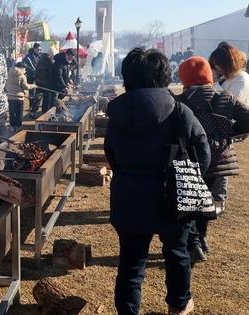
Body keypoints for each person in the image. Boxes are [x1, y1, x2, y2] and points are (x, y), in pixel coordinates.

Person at [104, 48, 210, 315]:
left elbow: (112, 154)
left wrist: (128, 175)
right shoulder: (180, 111)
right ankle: (178, 306)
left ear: (127, 77)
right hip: (173, 195)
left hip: (128, 195)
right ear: (164, 76)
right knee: (176, 254)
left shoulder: (117, 116)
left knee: (130, 262)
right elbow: (203, 154)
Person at [177, 56, 249, 263]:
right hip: (218, 159)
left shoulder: (180, 101)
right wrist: (227, 133)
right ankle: (203, 237)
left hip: (191, 159)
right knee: (206, 198)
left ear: (184, 78)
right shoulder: (225, 97)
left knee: (190, 202)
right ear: (209, 75)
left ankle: (194, 243)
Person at [6, 62, 36, 130]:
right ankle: (18, 126)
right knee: (19, 113)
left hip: (10, 96)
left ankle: (12, 126)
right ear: (22, 68)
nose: (25, 70)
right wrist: (33, 86)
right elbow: (26, 87)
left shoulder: (9, 74)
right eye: (25, 69)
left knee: (12, 112)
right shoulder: (22, 76)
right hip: (19, 97)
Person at [36, 47, 56, 112]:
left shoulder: (40, 60)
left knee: (40, 98)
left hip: (40, 82)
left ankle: (39, 110)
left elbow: (36, 71)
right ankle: (45, 112)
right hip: (47, 83)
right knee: (46, 99)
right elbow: (50, 72)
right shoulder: (49, 61)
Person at [23, 43, 41, 114]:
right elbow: (25, 65)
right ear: (34, 49)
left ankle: (35, 108)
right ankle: (32, 110)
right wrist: (32, 71)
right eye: (38, 49)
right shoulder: (28, 57)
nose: (39, 51)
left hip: (38, 78)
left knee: (38, 95)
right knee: (32, 95)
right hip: (31, 78)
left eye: (40, 49)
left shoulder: (39, 56)